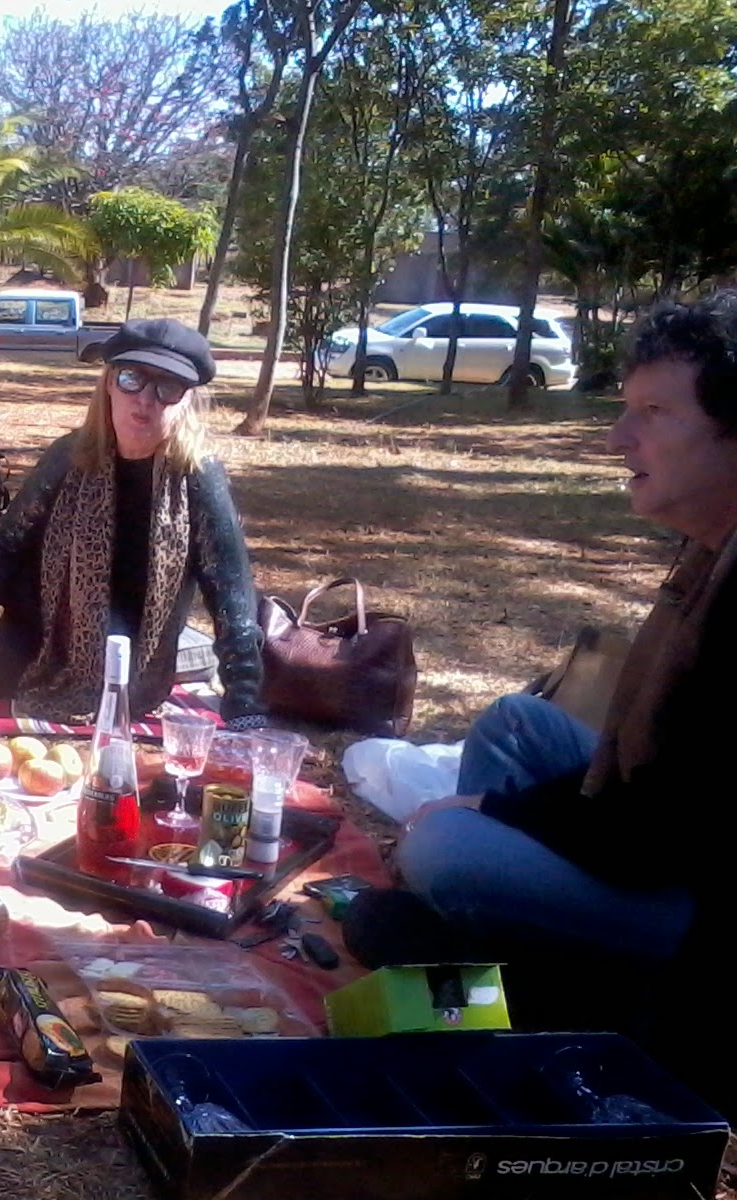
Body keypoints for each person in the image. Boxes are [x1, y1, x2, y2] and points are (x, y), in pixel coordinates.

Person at [344, 294, 737, 1113]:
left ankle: (516, 976)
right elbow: (632, 781)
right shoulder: (709, 552)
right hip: (658, 835)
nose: (616, 440)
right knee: (516, 724)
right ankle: (481, 950)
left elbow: (659, 834)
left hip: (701, 919)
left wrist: (488, 811)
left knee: (445, 847)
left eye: (654, 413)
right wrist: (506, 805)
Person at [0, 318, 267, 728]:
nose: (145, 399)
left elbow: (233, 600)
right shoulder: (71, 455)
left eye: (167, 388)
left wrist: (245, 703)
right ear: (110, 383)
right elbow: (5, 545)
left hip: (100, 659)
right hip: (29, 609)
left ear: (186, 400)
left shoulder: (198, 478)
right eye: (132, 378)